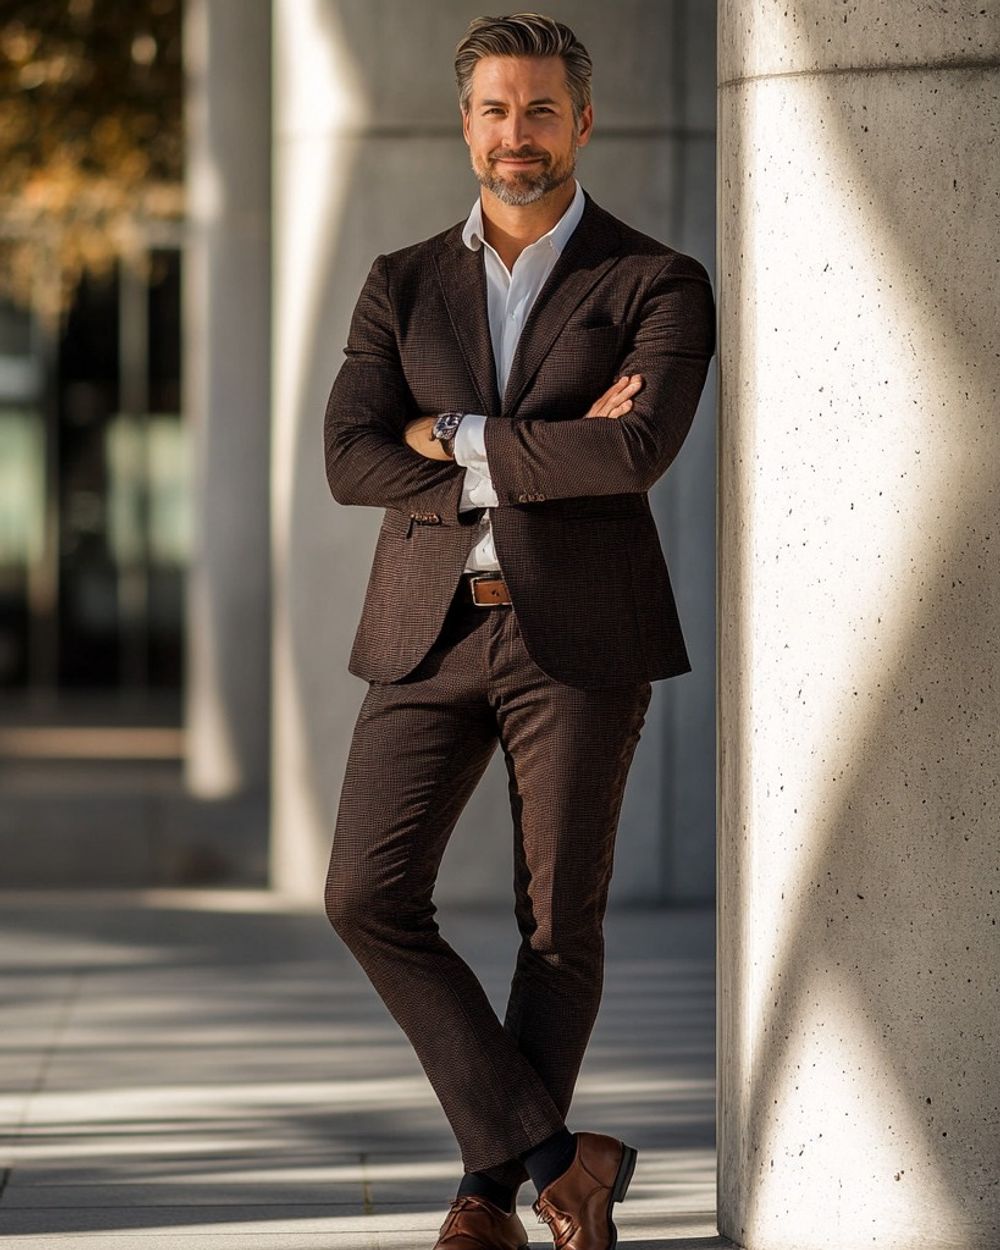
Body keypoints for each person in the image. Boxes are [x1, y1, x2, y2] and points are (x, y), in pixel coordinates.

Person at [322, 13, 715, 1249]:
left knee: (559, 923)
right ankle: (561, 1152)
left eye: (540, 110)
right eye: (495, 110)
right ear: (465, 122)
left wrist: (457, 436)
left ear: (582, 121)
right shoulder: (401, 280)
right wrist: (550, 450)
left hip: (581, 637)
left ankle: (486, 1196)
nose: (515, 135)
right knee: (365, 893)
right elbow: (347, 455)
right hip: (426, 629)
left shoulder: (654, 281)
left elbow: (637, 449)